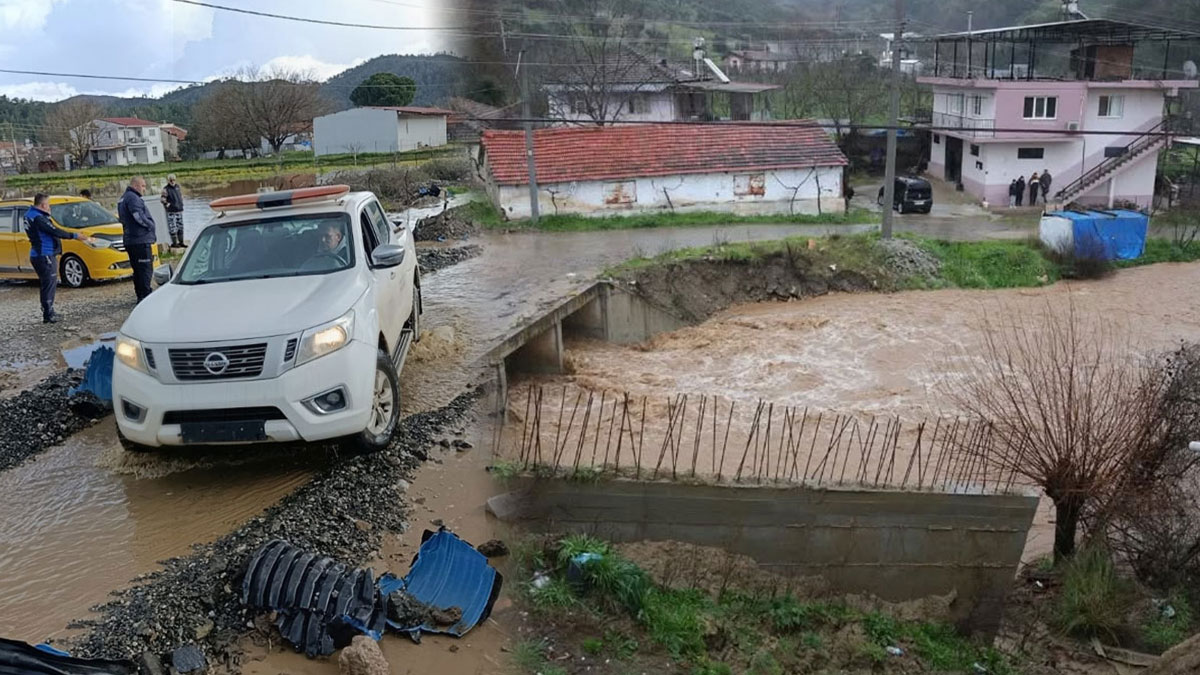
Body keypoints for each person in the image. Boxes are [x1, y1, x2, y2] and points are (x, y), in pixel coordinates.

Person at [24, 193, 90, 323]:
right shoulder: (38, 218)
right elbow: (55, 231)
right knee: (49, 283)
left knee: (47, 283)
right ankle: (48, 314)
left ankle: (49, 311)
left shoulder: (31, 215)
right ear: (43, 205)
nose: (49, 207)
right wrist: (75, 236)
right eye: (48, 205)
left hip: (40, 254)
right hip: (44, 254)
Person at [117, 176, 157, 303]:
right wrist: (150, 226)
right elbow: (138, 217)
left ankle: (140, 295)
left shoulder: (122, 198)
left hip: (130, 240)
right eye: (143, 186)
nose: (144, 189)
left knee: (138, 270)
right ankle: (145, 296)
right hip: (140, 239)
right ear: (135, 186)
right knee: (145, 270)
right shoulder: (133, 198)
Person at [160, 174, 186, 248]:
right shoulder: (166, 189)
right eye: (171, 180)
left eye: (173, 179)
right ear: (168, 180)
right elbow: (162, 200)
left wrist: (181, 203)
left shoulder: (178, 187)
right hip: (171, 212)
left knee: (180, 227)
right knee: (173, 227)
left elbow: (180, 196)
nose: (172, 181)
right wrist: (168, 205)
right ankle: (174, 243)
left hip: (179, 210)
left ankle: (181, 242)